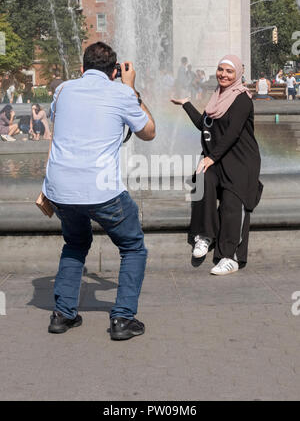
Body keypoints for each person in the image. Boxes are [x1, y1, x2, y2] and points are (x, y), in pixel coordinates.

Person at [42, 41, 155, 339]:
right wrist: (131, 88)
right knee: (132, 247)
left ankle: (62, 315)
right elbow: (149, 132)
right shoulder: (121, 92)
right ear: (115, 70)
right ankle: (122, 319)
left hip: (60, 189)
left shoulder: (63, 89)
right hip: (102, 191)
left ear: (81, 68)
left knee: (75, 244)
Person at [171, 55, 263, 276]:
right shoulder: (217, 98)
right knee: (203, 180)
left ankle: (230, 256)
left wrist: (210, 158)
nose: (223, 74)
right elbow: (205, 124)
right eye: (221, 70)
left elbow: (232, 134)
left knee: (233, 202)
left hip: (241, 162)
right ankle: (205, 235)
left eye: (229, 71)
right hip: (220, 159)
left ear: (238, 74)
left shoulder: (242, 99)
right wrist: (186, 104)